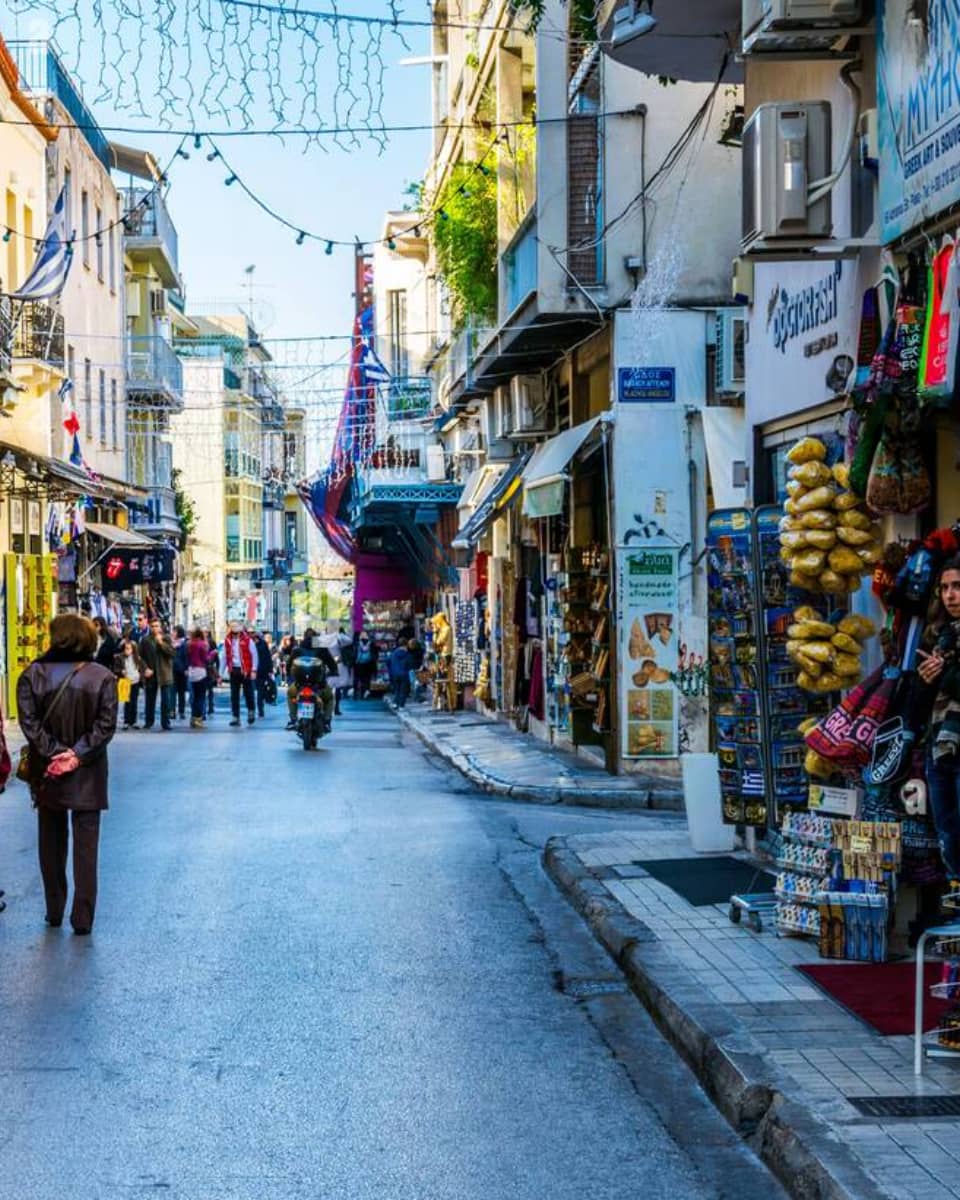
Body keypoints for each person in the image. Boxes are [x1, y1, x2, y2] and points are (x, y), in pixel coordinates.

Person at [17, 613, 118, 935]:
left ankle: (54, 909)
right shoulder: (102, 676)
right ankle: (83, 918)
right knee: (87, 848)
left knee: (51, 841)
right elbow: (105, 726)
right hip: (88, 771)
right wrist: (76, 754)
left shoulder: (32, 675)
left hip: (47, 771)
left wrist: (53, 753)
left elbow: (29, 725)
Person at [918, 556, 960, 906]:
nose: (951, 595)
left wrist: (944, 673)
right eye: (945, 588)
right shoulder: (942, 636)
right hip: (941, 745)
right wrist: (928, 677)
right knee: (947, 831)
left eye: (957, 586)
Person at [285, 628, 337, 730]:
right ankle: (327, 720)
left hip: (299, 686)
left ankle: (293, 719)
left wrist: (289, 675)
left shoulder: (297, 650)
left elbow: (288, 666)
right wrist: (334, 671)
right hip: (319, 686)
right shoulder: (322, 649)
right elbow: (332, 664)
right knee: (330, 697)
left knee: (290, 694)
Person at [138, 618, 175, 730]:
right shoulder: (145, 640)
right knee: (150, 699)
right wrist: (145, 669)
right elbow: (139, 657)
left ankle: (165, 722)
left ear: (160, 627)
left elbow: (172, 653)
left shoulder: (166, 638)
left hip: (164, 673)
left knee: (166, 700)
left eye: (157, 626)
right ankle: (149, 721)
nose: (155, 628)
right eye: (153, 626)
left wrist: (161, 643)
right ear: (150, 626)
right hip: (151, 673)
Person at [224, 621, 256, 726]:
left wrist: (254, 670)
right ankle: (235, 717)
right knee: (234, 695)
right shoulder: (228, 640)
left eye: (237, 630)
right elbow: (225, 656)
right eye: (233, 630)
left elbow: (254, 655)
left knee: (248, 692)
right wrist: (220, 673)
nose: (235, 633)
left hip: (245, 670)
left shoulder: (248, 640)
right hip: (234, 670)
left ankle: (251, 711)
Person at [317, 625, 352, 715]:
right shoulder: (338, 638)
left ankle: (326, 707)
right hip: (337, 664)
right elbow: (349, 641)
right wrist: (338, 634)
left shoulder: (323, 638)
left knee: (327, 687)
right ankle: (335, 708)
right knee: (336, 688)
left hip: (326, 665)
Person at [186, 628, 214, 728]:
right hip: (200, 671)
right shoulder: (202, 644)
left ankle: (193, 718)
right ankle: (198, 719)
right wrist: (212, 654)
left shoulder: (189, 644)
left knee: (194, 696)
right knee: (200, 697)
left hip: (191, 671)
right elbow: (206, 659)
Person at [118, 637, 143, 730]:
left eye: (129, 648)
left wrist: (140, 674)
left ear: (133, 649)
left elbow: (141, 667)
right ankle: (126, 721)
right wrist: (121, 671)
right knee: (127, 702)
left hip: (135, 681)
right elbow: (116, 668)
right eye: (125, 648)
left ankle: (134, 720)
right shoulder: (120, 658)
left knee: (134, 702)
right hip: (126, 681)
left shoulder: (136, 658)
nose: (127, 650)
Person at [253, 630, 274, 719]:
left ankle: (258, 709)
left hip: (256, 671)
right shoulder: (263, 644)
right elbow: (268, 657)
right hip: (262, 671)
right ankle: (260, 710)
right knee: (260, 691)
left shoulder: (252, 644)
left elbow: (267, 657)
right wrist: (270, 669)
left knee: (257, 691)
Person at [353, 629, 378, 699]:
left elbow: (354, 654)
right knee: (367, 679)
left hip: (359, 664)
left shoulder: (357, 643)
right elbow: (375, 654)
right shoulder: (371, 643)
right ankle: (365, 692)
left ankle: (357, 693)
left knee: (358, 678)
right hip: (368, 664)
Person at [172, 625, 188, 721]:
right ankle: (172, 711)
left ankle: (181, 711)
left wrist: (186, 668)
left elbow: (186, 657)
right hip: (173, 670)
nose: (172, 633)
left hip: (182, 671)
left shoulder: (185, 643)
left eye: (174, 631)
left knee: (181, 692)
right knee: (172, 692)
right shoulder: (172, 643)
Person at [389, 639, 412, 708]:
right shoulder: (407, 654)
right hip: (404, 673)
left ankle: (396, 702)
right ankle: (401, 705)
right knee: (403, 690)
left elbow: (389, 662)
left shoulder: (394, 653)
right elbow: (410, 664)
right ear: (405, 645)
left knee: (397, 689)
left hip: (395, 673)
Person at [204, 630, 219, 716]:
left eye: (206, 632)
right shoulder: (200, 642)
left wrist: (217, 671)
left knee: (210, 689)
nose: (205, 634)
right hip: (203, 668)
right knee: (204, 689)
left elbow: (217, 659)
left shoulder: (212, 642)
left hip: (210, 669)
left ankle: (210, 706)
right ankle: (206, 707)